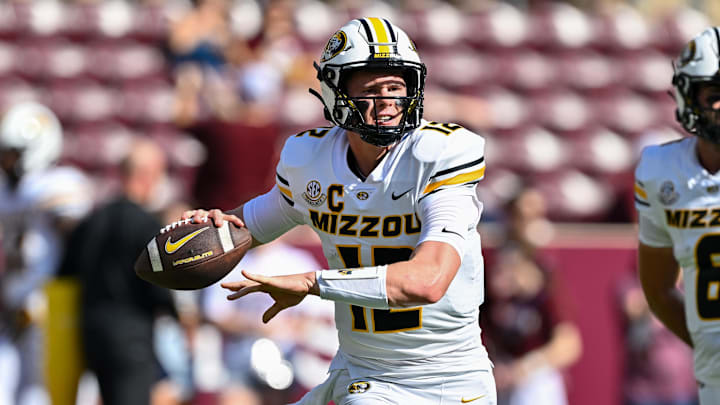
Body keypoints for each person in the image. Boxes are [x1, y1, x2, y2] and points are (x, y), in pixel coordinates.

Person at [179, 18, 496, 405]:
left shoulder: (437, 155)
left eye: (396, 88)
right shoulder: (310, 160)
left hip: (449, 377)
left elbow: (428, 281)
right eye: (372, 91)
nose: (388, 105)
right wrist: (212, 229)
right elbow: (249, 225)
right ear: (336, 94)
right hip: (365, 375)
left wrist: (313, 283)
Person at [634, 26, 720, 405]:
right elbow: (659, 289)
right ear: (689, 96)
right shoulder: (661, 171)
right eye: (716, 95)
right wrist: (706, 343)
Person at [63, 138, 184, 405]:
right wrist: (179, 318)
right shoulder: (147, 224)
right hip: (131, 338)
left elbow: (67, 273)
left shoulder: (92, 221)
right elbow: (158, 289)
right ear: (147, 175)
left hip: (90, 333)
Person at [0, 101, 93, 405]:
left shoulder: (56, 184)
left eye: (11, 153)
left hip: (48, 303)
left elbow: (75, 231)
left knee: (44, 391)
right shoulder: (10, 191)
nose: (5, 161)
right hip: (13, 302)